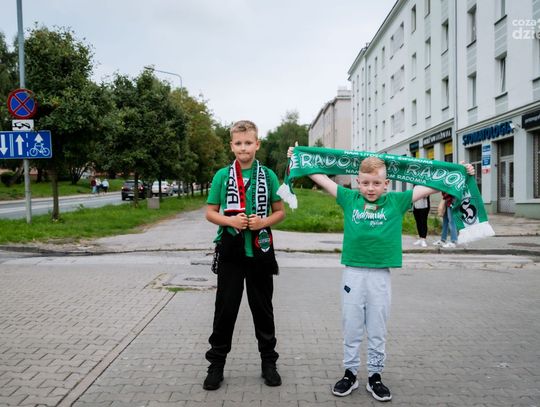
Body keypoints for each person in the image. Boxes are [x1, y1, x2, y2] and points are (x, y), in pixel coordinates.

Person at [287, 146, 474, 402]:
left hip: (380, 276)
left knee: (377, 328)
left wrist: (460, 171)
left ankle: (375, 376)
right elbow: (320, 177)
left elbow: (434, 184)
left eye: (376, 183)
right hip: (353, 274)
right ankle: (350, 373)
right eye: (365, 183)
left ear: (386, 184)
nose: (370, 188)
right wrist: (298, 158)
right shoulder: (349, 198)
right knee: (352, 327)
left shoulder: (397, 201)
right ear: (357, 182)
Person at [203, 120, 286, 391]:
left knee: (263, 310)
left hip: (260, 252)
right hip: (231, 251)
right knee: (225, 310)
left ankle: (269, 363)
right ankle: (216, 365)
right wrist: (230, 221)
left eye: (248, 143)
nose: (243, 148)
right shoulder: (222, 176)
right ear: (231, 146)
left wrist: (263, 222)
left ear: (257, 144)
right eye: (238, 143)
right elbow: (210, 212)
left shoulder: (269, 176)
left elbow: (279, 212)